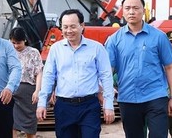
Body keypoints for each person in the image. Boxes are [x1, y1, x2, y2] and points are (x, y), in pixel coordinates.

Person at [105, 0, 172, 138]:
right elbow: (108, 71)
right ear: (123, 11)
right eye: (127, 8)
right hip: (127, 97)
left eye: (135, 8)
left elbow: (170, 67)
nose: (131, 12)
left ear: (143, 10)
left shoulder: (159, 36)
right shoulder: (114, 40)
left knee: (158, 135)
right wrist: (107, 98)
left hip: (156, 96)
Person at [37, 9, 115, 138]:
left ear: (82, 26)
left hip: (89, 106)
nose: (69, 30)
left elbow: (106, 76)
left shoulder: (97, 48)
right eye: (65, 27)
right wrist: (42, 103)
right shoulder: (56, 49)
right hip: (64, 107)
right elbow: (48, 76)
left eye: (73, 26)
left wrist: (109, 105)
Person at [9, 27, 43, 138]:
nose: (15, 46)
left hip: (28, 91)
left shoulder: (33, 52)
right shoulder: (9, 52)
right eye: (13, 42)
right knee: (11, 122)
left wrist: (37, 91)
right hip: (11, 90)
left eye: (18, 43)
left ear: (25, 40)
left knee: (29, 122)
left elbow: (39, 72)